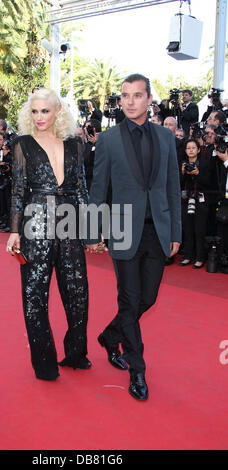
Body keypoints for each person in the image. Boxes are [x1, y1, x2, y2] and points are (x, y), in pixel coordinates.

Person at [86, 73, 181, 401]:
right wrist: (90, 230)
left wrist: (176, 232)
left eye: (136, 95)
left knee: (147, 299)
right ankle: (137, 369)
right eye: (124, 95)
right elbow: (98, 187)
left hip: (158, 231)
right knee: (128, 300)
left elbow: (172, 188)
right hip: (123, 229)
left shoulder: (166, 138)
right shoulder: (109, 139)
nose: (129, 101)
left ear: (149, 99)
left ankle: (110, 336)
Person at [6, 88, 91, 381]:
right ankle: (45, 364)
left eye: (45, 111)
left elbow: (80, 189)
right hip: (35, 223)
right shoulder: (23, 144)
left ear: (57, 112)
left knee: (77, 293)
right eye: (34, 111)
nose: (39, 117)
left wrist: (91, 231)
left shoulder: (75, 144)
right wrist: (14, 230)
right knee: (34, 296)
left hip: (69, 225)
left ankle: (76, 353)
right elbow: (18, 190)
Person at [179, 138, 214, 268]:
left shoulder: (204, 164)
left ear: (198, 150)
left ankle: (200, 257)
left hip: (201, 200)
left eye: (193, 148)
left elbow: (209, 182)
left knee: (199, 230)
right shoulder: (182, 164)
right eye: (188, 148)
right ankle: (188, 255)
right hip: (186, 199)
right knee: (187, 228)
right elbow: (178, 183)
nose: (191, 150)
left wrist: (198, 173)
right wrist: (183, 173)